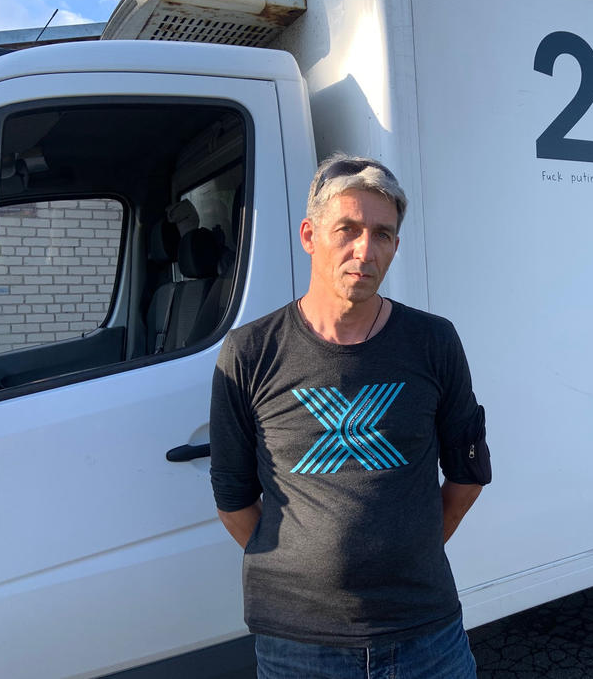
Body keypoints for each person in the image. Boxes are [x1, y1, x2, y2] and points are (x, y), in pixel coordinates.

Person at [209, 154, 492, 679]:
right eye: (348, 229)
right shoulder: (249, 352)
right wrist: (305, 574)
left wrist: (409, 551)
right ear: (309, 234)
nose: (366, 249)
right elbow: (232, 496)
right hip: (298, 645)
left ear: (396, 247)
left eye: (383, 234)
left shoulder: (433, 342)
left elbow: (467, 473)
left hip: (425, 633)